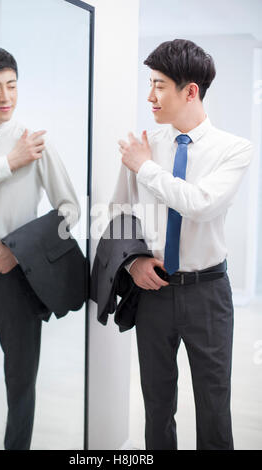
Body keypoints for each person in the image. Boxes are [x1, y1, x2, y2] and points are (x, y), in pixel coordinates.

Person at [113, 39, 253, 450]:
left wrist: (146, 167)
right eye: (149, 83)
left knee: (213, 405)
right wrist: (133, 263)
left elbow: (200, 205)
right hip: (152, 291)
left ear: (190, 91)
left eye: (159, 85)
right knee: (156, 406)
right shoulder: (143, 143)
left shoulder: (234, 149)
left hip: (207, 293)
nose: (150, 95)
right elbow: (118, 214)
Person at [0, 46, 80, 450]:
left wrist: (20, 250)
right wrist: (7, 163)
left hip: (16, 277)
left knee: (20, 380)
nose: (6, 97)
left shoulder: (34, 143)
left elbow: (69, 211)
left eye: (12, 86)